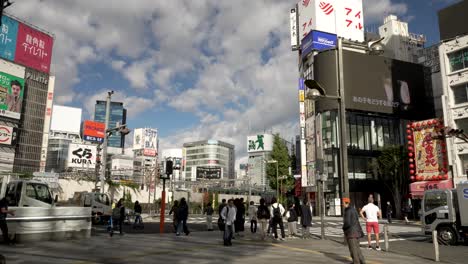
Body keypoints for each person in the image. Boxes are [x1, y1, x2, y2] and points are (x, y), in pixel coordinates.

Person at [343, 198, 366, 264]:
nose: (343, 204)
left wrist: (344, 228)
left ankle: (356, 262)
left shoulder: (347, 211)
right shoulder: (353, 209)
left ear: (345, 202)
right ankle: (362, 261)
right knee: (357, 248)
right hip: (357, 231)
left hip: (351, 232)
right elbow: (357, 220)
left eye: (343, 202)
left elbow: (347, 222)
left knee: (353, 249)